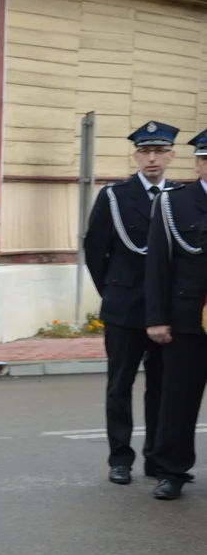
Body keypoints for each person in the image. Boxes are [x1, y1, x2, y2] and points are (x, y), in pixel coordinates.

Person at [84, 121, 176, 485]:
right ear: (136, 155)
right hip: (125, 307)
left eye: (158, 152)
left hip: (166, 311)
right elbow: (95, 252)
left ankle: (156, 456)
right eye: (145, 152)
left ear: (171, 155)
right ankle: (120, 457)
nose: (151, 159)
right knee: (120, 385)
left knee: (162, 387)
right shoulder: (114, 196)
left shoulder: (179, 196)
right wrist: (113, 294)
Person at [144, 128, 207, 501]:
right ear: (199, 163)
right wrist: (156, 318)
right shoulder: (174, 202)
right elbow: (158, 267)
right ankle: (172, 470)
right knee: (179, 398)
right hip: (187, 318)